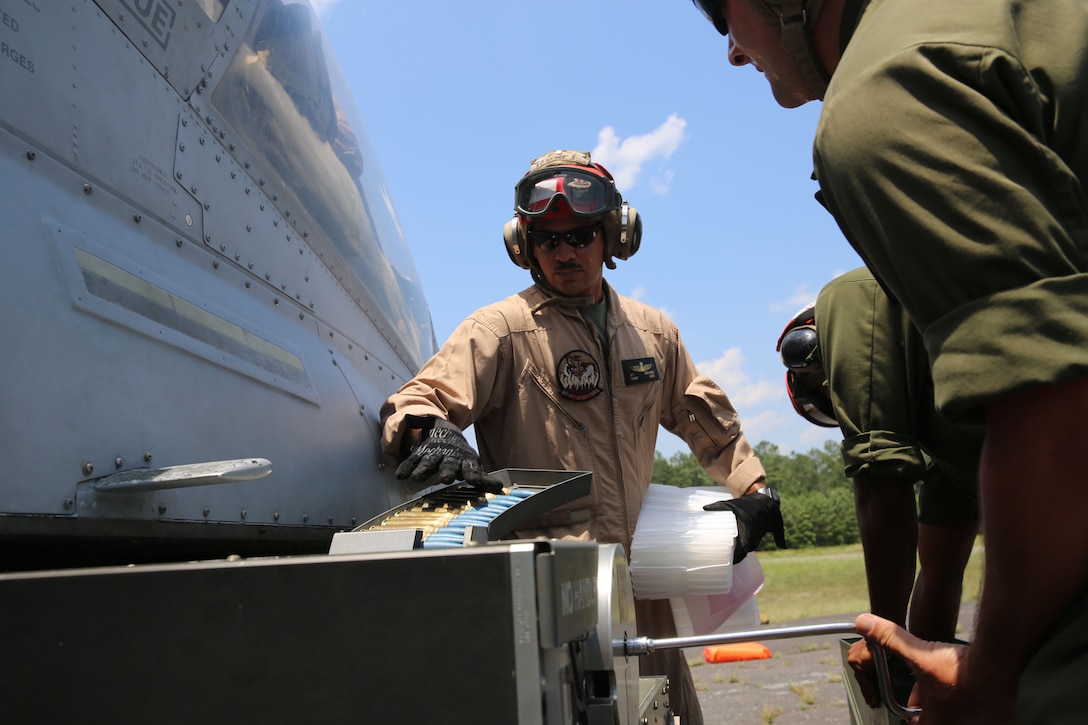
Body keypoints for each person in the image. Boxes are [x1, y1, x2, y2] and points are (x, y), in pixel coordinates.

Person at [685, 0, 1088, 722]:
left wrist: (987, 672)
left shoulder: (877, 97)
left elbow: (1046, 410)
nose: (733, 53)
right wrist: (915, 643)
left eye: (721, 16)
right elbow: (943, 549)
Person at [380, 149, 786, 725]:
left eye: (580, 235)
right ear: (524, 246)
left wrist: (755, 490)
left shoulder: (653, 334)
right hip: (549, 593)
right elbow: (415, 404)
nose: (564, 251)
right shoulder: (500, 331)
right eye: (547, 239)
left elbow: (707, 424)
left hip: (640, 590)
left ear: (614, 235)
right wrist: (432, 434)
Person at [777, 267, 982, 709]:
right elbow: (940, 572)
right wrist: (917, 663)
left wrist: (882, 637)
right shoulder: (955, 442)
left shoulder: (849, 301)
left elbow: (881, 483)